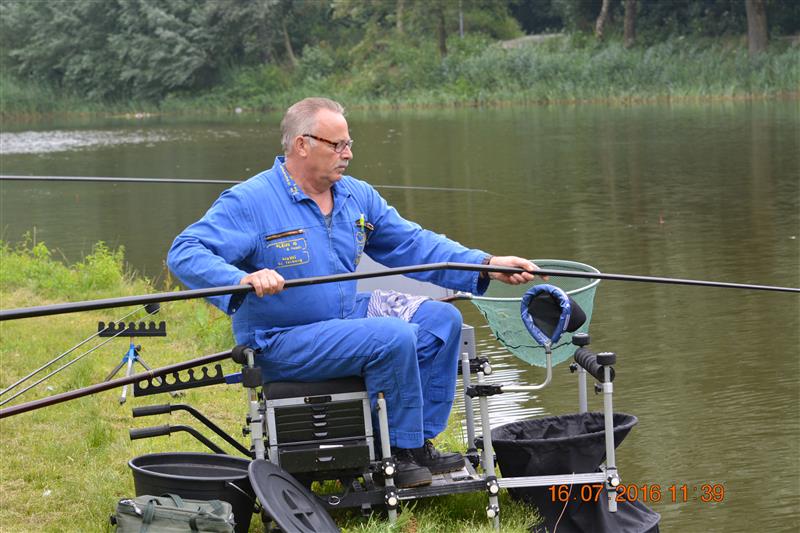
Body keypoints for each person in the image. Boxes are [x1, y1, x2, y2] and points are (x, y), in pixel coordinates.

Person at [167, 97, 541, 488]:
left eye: (349, 144)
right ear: (302, 144)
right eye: (338, 145)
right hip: (281, 338)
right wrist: (241, 278)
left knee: (442, 320)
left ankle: (417, 443)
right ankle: (394, 453)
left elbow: (414, 244)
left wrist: (484, 264)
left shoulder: (355, 196)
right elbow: (186, 251)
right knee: (392, 336)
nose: (347, 154)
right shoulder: (251, 201)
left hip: (346, 315)